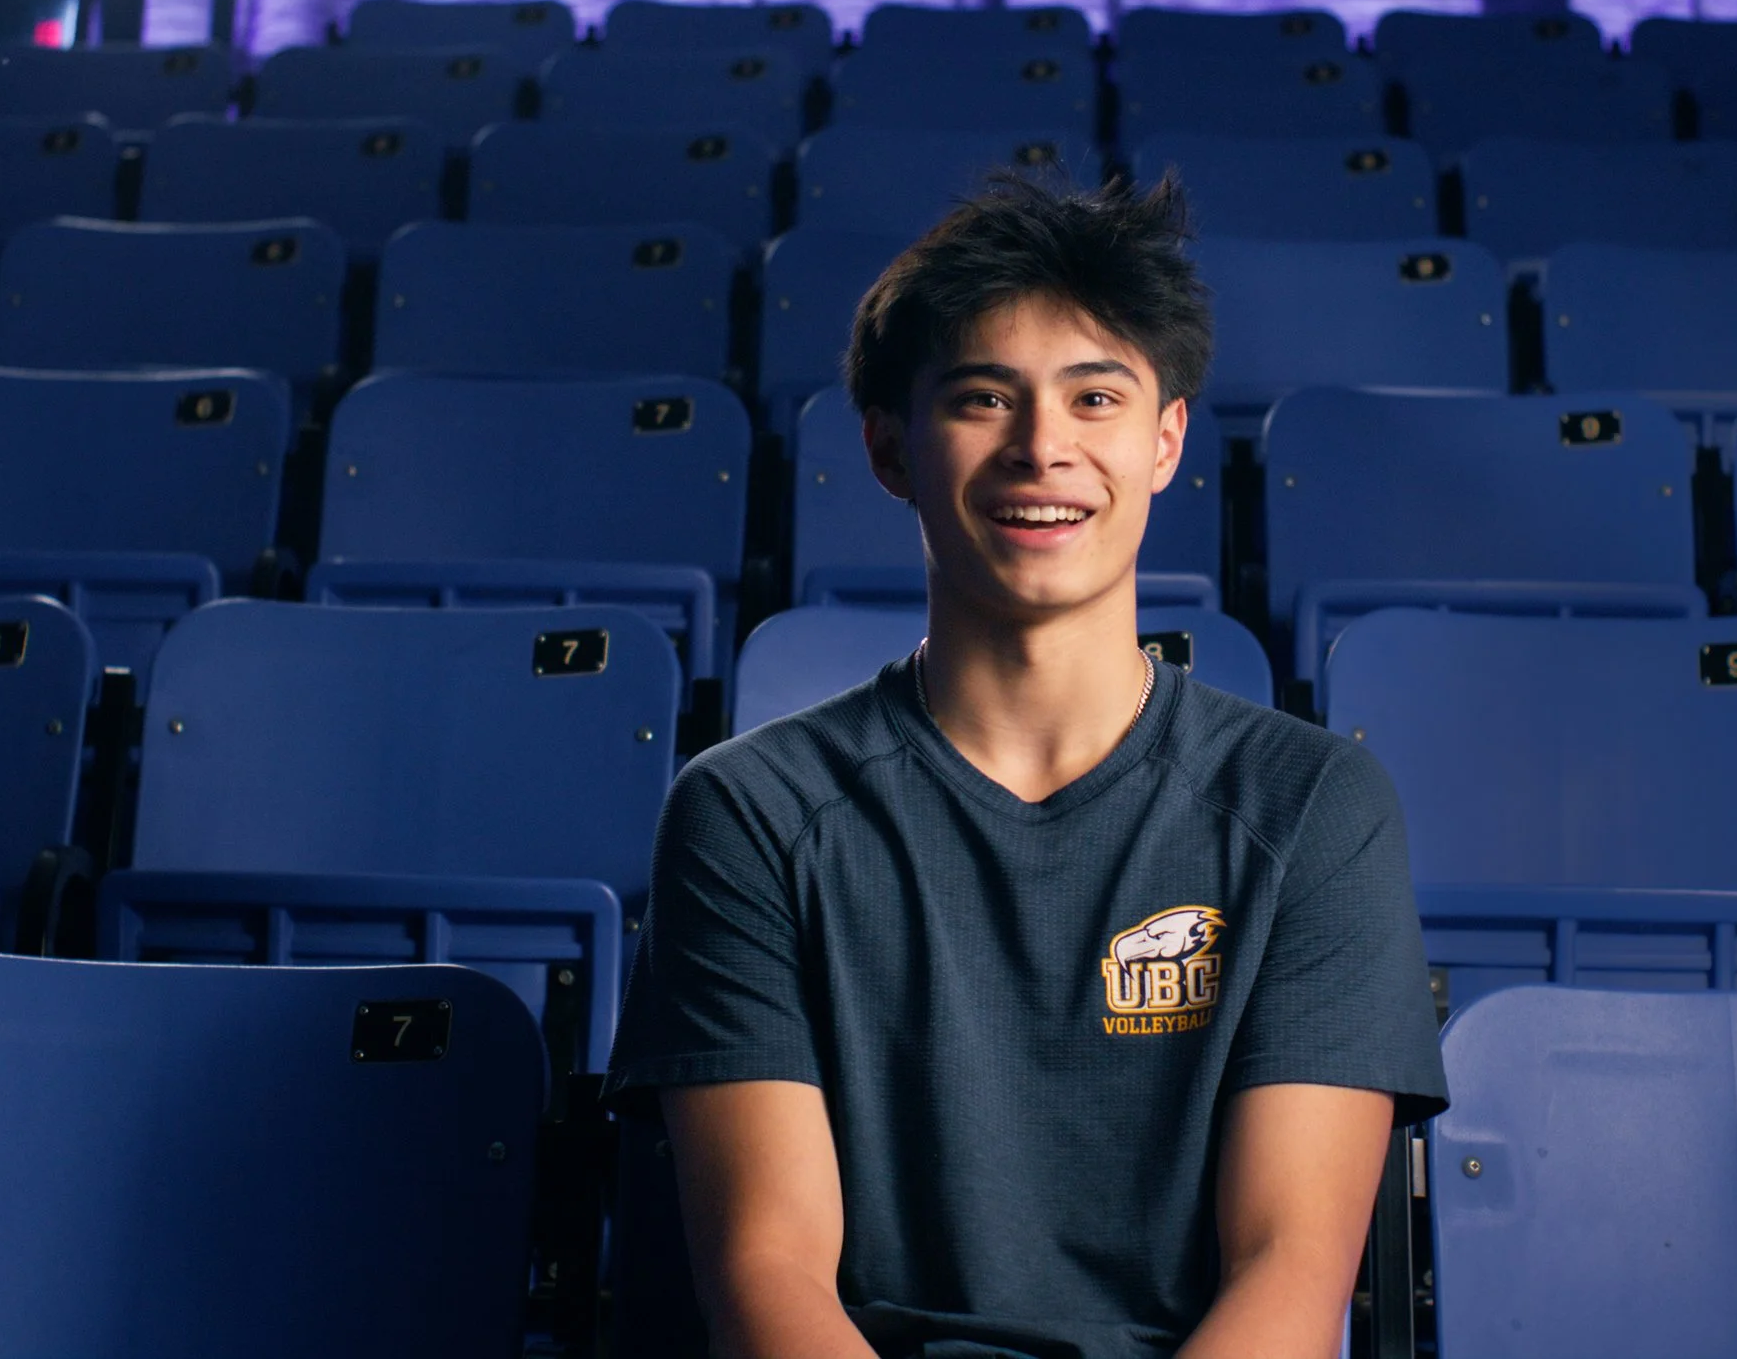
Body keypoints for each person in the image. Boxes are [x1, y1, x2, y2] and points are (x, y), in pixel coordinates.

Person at [604, 173, 1447, 1359]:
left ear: (1165, 441)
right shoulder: (750, 811)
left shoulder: (1309, 805)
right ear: (889, 448)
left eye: (1094, 397)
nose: (1043, 447)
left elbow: (1290, 1271)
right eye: (983, 398)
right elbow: (767, 1270)